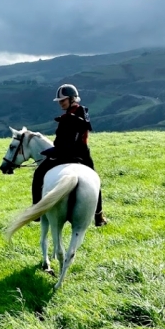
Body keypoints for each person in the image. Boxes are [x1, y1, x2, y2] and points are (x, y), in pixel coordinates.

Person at [32, 84, 108, 227]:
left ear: (72, 99)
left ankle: (98, 215)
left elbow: (80, 131)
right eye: (60, 101)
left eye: (63, 100)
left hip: (78, 153)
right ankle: (37, 211)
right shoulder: (66, 115)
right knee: (39, 172)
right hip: (65, 151)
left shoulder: (80, 112)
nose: (61, 103)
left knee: (95, 181)